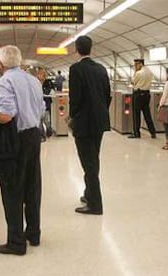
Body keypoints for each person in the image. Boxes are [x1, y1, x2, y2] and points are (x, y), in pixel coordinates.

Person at [0, 45, 45, 256]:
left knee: (13, 188)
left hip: (16, 139)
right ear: (20, 61)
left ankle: (15, 242)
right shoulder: (33, 80)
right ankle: (33, 233)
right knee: (33, 186)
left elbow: (6, 114)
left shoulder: (5, 81)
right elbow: (41, 109)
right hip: (34, 136)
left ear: (1, 64)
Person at [69, 35, 111, 215]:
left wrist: (73, 117)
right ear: (91, 48)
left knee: (89, 164)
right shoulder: (102, 69)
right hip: (99, 122)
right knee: (94, 159)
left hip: (84, 123)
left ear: (76, 49)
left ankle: (95, 205)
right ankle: (88, 193)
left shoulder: (76, 69)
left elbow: (75, 98)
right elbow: (107, 95)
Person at [129, 58, 156, 139]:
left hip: (138, 94)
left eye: (136, 64)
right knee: (147, 113)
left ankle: (136, 133)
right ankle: (152, 132)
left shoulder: (138, 73)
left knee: (136, 114)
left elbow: (133, 82)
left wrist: (135, 73)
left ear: (140, 64)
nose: (135, 66)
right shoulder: (150, 72)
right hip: (147, 94)